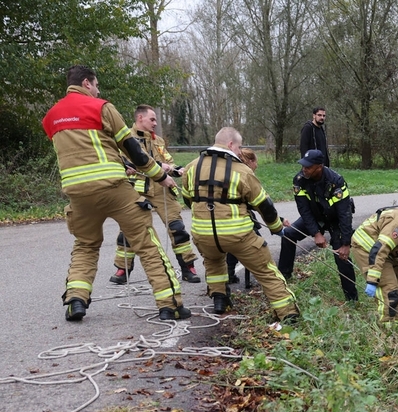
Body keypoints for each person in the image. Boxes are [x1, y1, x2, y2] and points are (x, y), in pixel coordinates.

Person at [41, 65, 189, 322]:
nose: (98, 89)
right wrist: (161, 176)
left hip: (77, 194)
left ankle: (76, 300)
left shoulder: (51, 117)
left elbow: (78, 152)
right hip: (113, 189)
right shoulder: (101, 107)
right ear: (87, 83)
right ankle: (170, 305)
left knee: (85, 245)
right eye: (96, 84)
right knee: (146, 243)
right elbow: (134, 150)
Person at [180, 127, 299, 323]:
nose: (240, 151)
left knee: (214, 263)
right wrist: (276, 227)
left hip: (203, 235)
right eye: (239, 146)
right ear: (230, 145)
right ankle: (288, 314)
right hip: (239, 236)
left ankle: (220, 300)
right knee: (266, 271)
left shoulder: (192, 167)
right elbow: (264, 205)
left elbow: (188, 199)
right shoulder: (242, 171)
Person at [109, 104, 201, 285]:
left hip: (161, 188)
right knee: (128, 230)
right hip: (136, 189)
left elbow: (168, 161)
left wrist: (177, 170)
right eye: (152, 119)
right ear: (140, 118)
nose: (155, 123)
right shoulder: (125, 138)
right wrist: (158, 168)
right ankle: (122, 269)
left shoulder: (158, 140)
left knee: (177, 227)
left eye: (156, 120)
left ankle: (188, 267)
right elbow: (124, 162)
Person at [276, 149, 357, 300]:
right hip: (314, 217)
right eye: (303, 166)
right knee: (288, 235)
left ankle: (352, 299)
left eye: (308, 167)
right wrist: (316, 233)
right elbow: (304, 210)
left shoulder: (336, 181)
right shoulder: (299, 180)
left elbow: (344, 214)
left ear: (319, 167)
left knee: (341, 254)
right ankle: (283, 278)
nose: (304, 169)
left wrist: (346, 242)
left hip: (335, 220)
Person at [226, 147, 263, 285]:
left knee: (231, 246)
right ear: (251, 161)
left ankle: (230, 273)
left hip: (225, 217)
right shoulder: (246, 175)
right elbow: (259, 202)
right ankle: (262, 275)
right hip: (240, 217)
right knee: (256, 242)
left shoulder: (230, 171)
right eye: (255, 162)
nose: (257, 165)